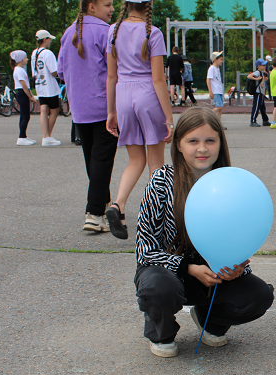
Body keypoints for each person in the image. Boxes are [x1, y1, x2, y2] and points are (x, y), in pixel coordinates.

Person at [134, 107, 274, 358]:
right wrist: (187, 267)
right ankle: (161, 332)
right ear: (178, 145)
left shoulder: (233, 185)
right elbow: (145, 250)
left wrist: (238, 268)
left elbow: (239, 237)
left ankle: (211, 321)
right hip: (169, 274)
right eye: (193, 141)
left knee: (259, 296)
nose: (202, 148)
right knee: (158, 288)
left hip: (213, 274)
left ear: (221, 143)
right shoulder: (161, 182)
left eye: (210, 140)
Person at [105, 0, 174, 239]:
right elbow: (158, 79)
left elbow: (111, 76)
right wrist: (169, 117)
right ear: (149, 4)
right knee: (156, 165)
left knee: (135, 160)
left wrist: (111, 111)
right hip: (147, 95)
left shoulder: (112, 31)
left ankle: (118, 205)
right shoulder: (152, 33)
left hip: (123, 96)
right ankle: (157, 222)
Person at [59, 0, 118, 234]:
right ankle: (94, 213)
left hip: (80, 107)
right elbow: (115, 70)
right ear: (91, 6)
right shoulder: (106, 32)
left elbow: (61, 70)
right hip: (105, 106)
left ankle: (101, 203)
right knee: (102, 160)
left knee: (92, 160)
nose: (112, 9)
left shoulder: (68, 32)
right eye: (107, 4)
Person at [32, 30, 62, 146]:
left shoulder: (34, 53)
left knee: (43, 110)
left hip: (40, 84)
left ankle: (45, 136)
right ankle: (47, 136)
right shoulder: (48, 53)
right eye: (49, 39)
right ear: (44, 39)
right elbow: (54, 71)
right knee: (54, 110)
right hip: (49, 85)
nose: (50, 41)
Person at [10, 51, 38, 146]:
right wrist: (30, 96)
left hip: (22, 93)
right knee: (26, 116)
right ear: (21, 59)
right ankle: (21, 137)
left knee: (23, 115)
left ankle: (23, 135)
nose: (27, 59)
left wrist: (30, 95)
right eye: (25, 57)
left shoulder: (18, 69)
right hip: (22, 93)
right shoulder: (19, 70)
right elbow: (24, 85)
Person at [247, 58, 271, 127]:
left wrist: (264, 79)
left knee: (262, 107)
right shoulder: (257, 72)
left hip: (261, 92)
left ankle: (265, 120)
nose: (264, 66)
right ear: (259, 66)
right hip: (257, 92)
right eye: (263, 65)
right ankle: (253, 121)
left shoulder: (262, 73)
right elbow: (249, 76)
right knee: (256, 106)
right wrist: (256, 79)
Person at [206, 51, 225, 125]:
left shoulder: (217, 68)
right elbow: (208, 79)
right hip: (215, 90)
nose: (222, 61)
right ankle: (207, 114)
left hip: (219, 90)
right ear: (215, 60)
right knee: (219, 107)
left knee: (220, 109)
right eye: (220, 59)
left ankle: (218, 124)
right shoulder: (212, 68)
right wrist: (210, 91)